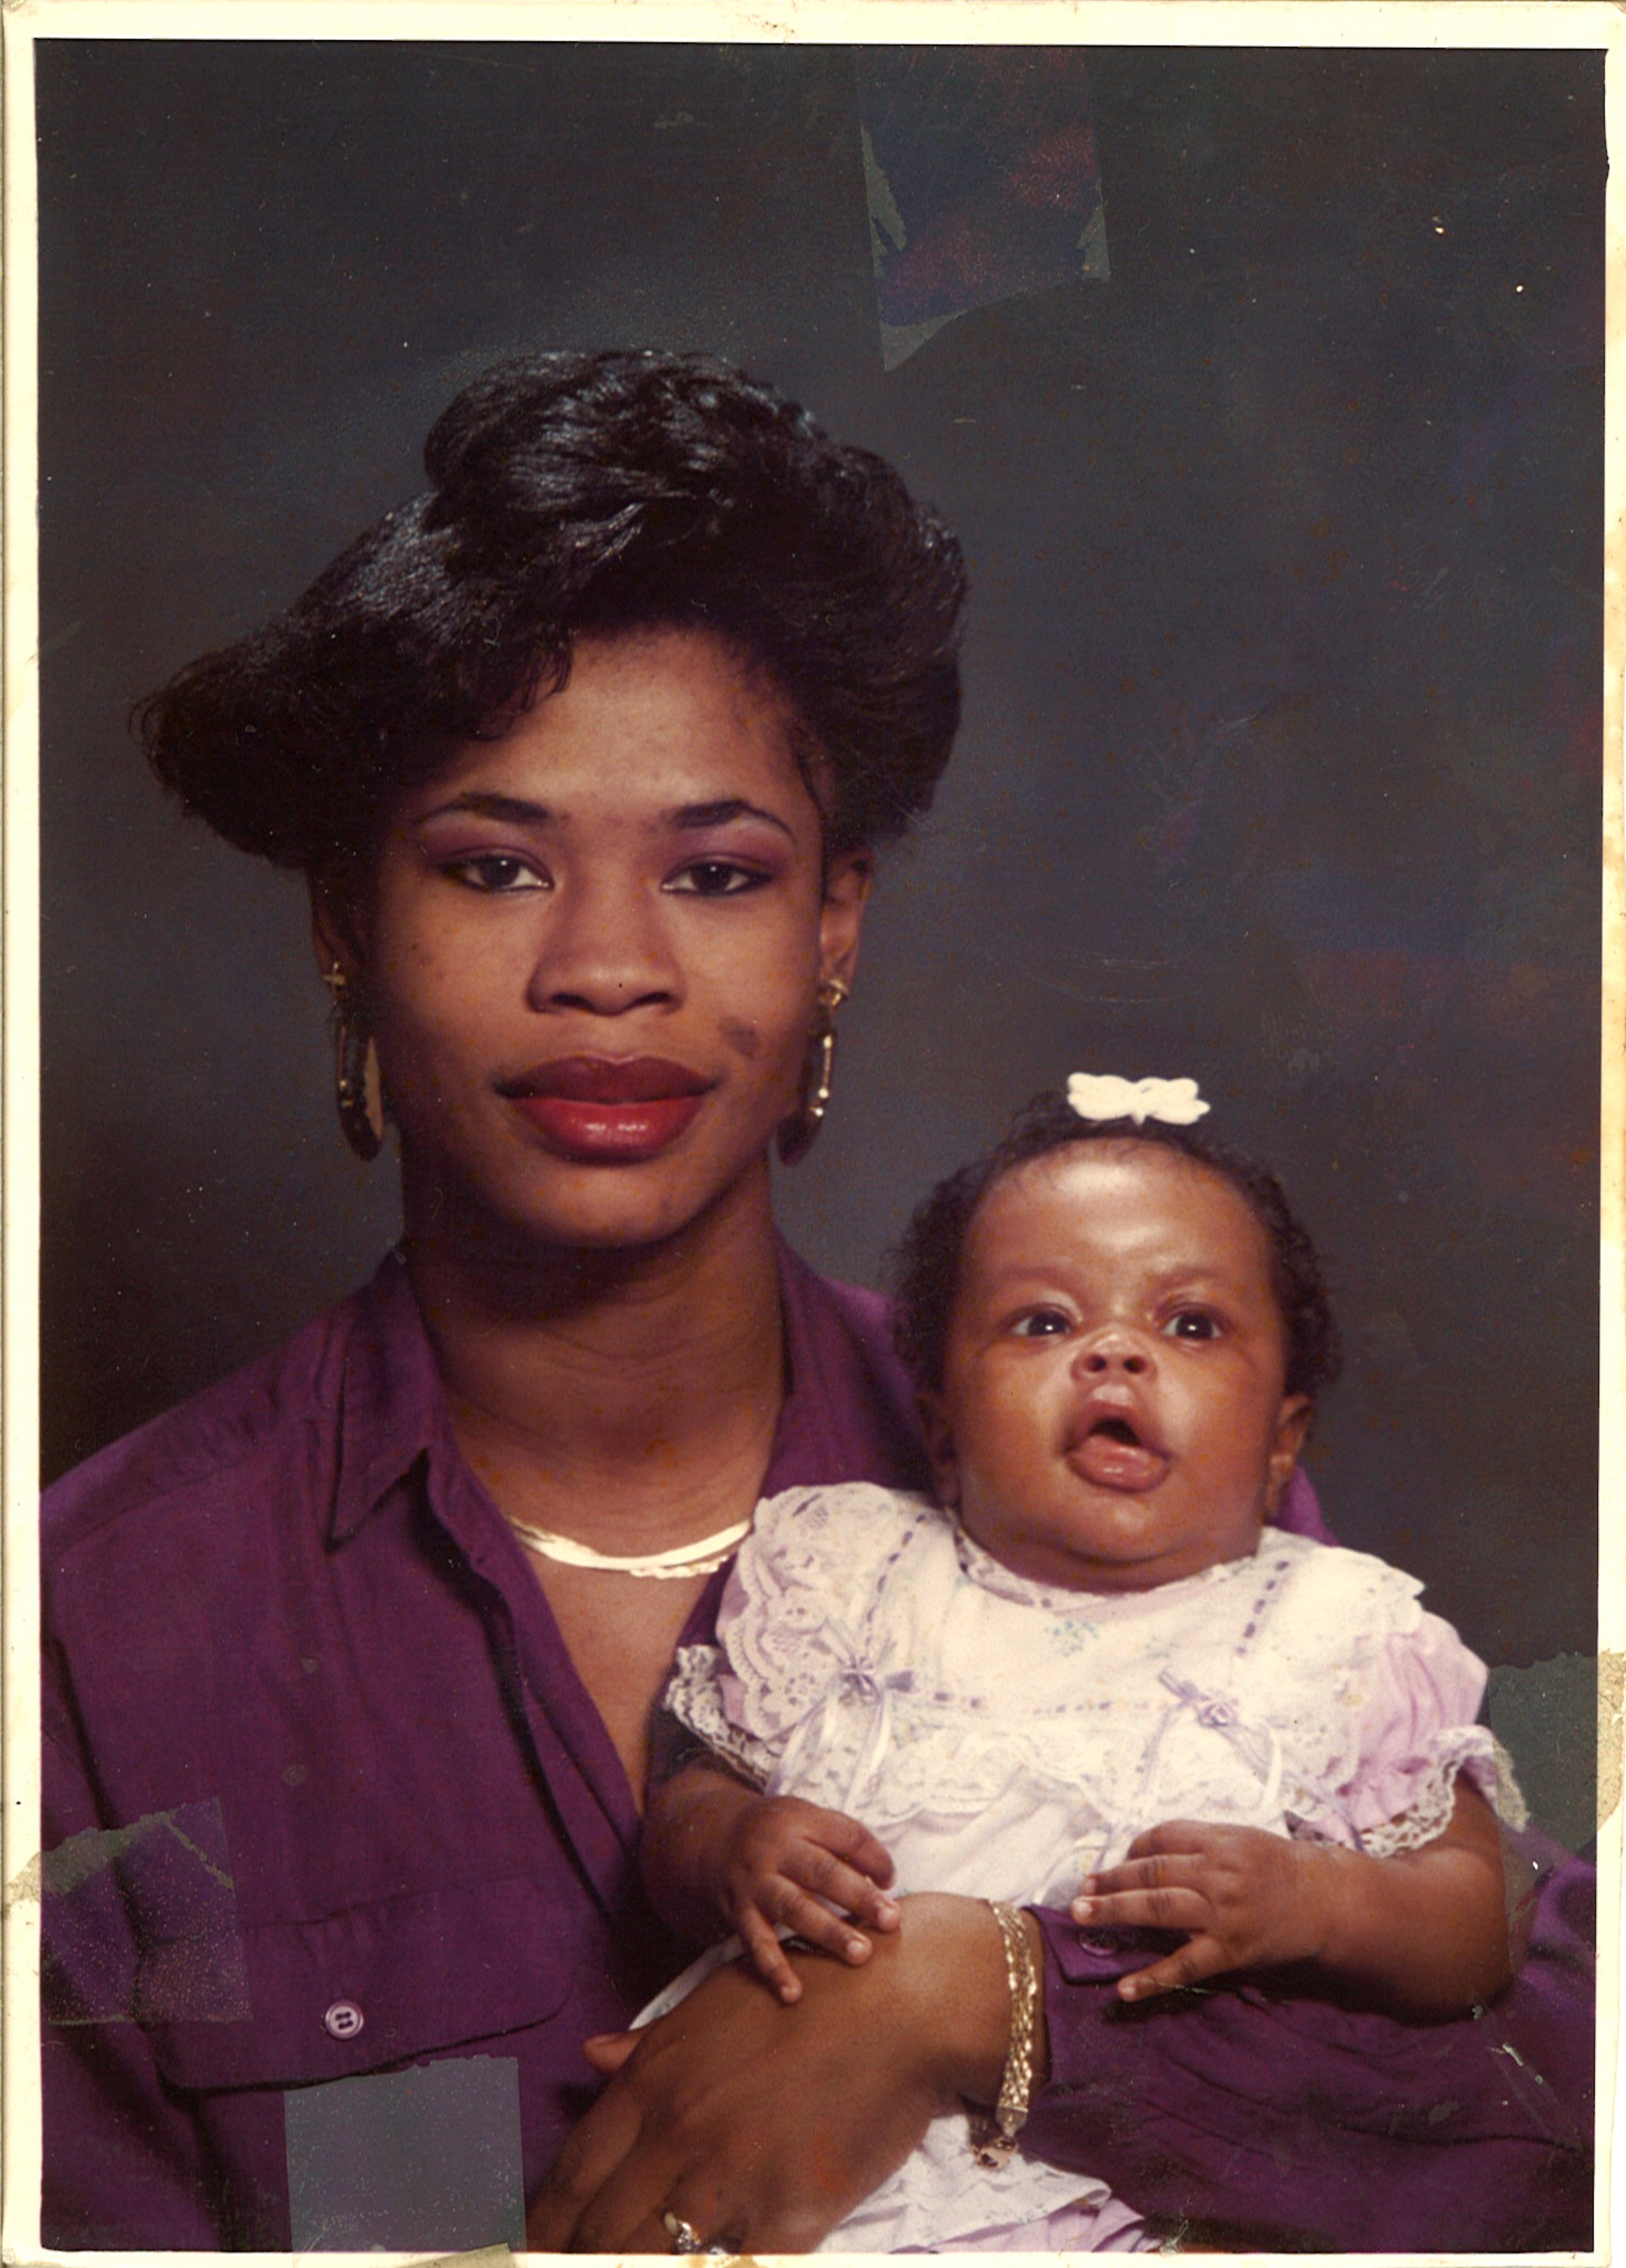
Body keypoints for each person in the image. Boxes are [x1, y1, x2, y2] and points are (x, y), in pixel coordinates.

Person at [38, 352, 1591, 2256]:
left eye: (717, 870)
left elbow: (1531, 2127)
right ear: (348, 927)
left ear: (834, 920)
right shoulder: (93, 1627)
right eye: (495, 864)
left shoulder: (1126, 1465)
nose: (609, 968)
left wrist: (965, 1999)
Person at [642, 1086, 1515, 2251]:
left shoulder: (1336, 1630)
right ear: (944, 1428)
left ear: (1282, 1445)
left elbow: (1479, 1915)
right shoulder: (849, 1567)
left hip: (1117, 2195)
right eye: (1043, 1322)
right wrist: (730, 1844)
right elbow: (691, 1795)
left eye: (1191, 1325)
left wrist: (1321, 1899)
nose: (1114, 1351)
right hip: (763, 2148)